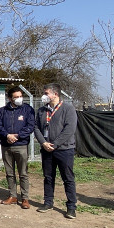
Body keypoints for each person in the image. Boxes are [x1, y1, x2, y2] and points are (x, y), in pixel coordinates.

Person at [34, 83, 78, 219]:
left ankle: (71, 207)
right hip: (46, 149)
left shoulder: (68, 109)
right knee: (48, 177)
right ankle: (48, 202)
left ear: (55, 94)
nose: (44, 95)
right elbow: (36, 127)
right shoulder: (42, 110)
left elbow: (69, 129)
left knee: (68, 178)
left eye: (46, 93)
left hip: (64, 150)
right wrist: (43, 142)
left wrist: (55, 144)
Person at [0, 87, 35, 209]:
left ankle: (25, 198)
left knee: (23, 173)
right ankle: (12, 196)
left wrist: (18, 136)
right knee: (9, 173)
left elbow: (31, 125)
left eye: (20, 96)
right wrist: (7, 135)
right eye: (16, 97)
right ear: (10, 98)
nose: (19, 99)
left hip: (21, 145)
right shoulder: (2, 111)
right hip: (6, 145)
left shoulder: (27, 109)